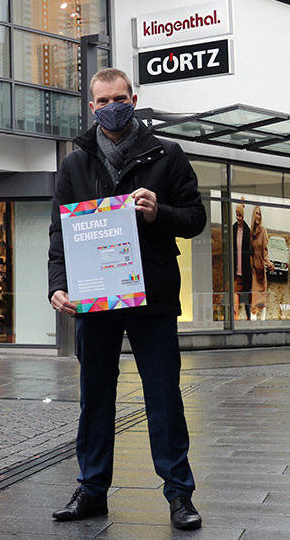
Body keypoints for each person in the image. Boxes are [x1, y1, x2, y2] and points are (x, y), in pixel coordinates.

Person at [47, 68, 205, 530]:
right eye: (103, 101)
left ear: (133, 100)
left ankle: (179, 495)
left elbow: (195, 217)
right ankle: (92, 490)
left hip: (152, 297)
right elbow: (59, 232)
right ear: (92, 107)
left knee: (163, 397)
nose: (112, 107)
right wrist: (57, 284)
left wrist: (159, 213)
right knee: (95, 398)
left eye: (120, 98)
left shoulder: (167, 154)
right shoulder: (75, 163)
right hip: (95, 298)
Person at [250, 205, 274, 320]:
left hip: (261, 272)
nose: (258, 216)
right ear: (253, 215)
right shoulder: (251, 233)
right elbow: (249, 252)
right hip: (254, 272)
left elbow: (265, 251)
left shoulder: (263, 231)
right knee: (254, 303)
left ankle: (263, 324)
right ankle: (252, 326)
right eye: (256, 213)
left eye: (259, 214)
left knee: (262, 303)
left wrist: (269, 263)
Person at [232, 202, 252, 320]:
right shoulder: (233, 228)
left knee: (246, 299)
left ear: (243, 216)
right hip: (236, 272)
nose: (238, 218)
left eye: (240, 215)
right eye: (236, 214)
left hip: (245, 271)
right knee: (235, 299)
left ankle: (249, 320)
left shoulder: (247, 230)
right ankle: (235, 320)